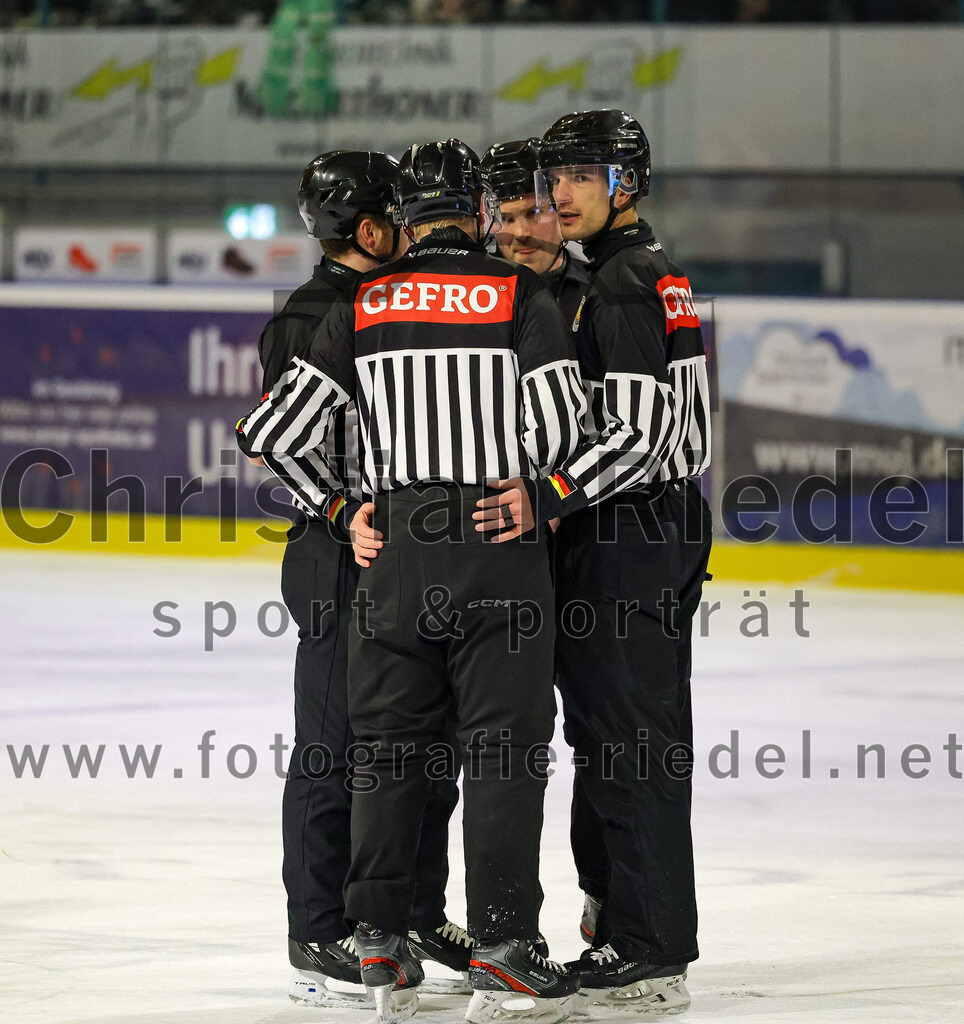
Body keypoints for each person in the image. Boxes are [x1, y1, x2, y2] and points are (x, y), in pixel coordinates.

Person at [238, 138, 586, 1024]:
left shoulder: (365, 302)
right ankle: (505, 947)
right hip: (493, 542)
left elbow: (268, 432)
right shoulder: (518, 293)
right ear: (474, 209)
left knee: (387, 752)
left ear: (407, 214)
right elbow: (563, 430)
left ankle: (380, 941)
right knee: (501, 755)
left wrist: (335, 507)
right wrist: (539, 495)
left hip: (392, 548)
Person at [473, 109, 712, 1016]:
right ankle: (622, 918)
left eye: (582, 174)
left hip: (627, 533)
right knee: (616, 734)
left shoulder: (620, 285)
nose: (559, 193)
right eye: (554, 178)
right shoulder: (635, 272)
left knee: (631, 741)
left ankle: (648, 948)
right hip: (651, 532)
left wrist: (548, 493)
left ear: (627, 182)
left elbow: (642, 438)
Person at [252, 150, 469, 1007]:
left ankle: (410, 909)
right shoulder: (314, 315)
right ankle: (318, 928)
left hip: (402, 558)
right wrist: (344, 513)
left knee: (422, 744)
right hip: (338, 558)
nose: (414, 231)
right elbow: (278, 442)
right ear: (373, 229)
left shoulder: (389, 305)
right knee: (335, 747)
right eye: (402, 217)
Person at [481, 137, 589, 328]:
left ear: (560, 210)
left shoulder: (597, 289)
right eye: (506, 219)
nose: (522, 233)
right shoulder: (470, 298)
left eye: (534, 213)